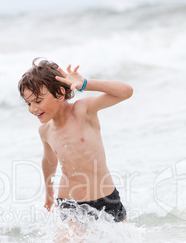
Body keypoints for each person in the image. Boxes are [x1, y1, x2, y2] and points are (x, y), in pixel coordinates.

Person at [18, 58, 133, 223]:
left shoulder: (83, 110)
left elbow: (126, 91)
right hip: (69, 204)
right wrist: (49, 196)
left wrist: (85, 83)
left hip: (106, 200)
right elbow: (49, 161)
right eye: (28, 103)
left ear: (60, 93)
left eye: (37, 101)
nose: (32, 109)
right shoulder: (45, 130)